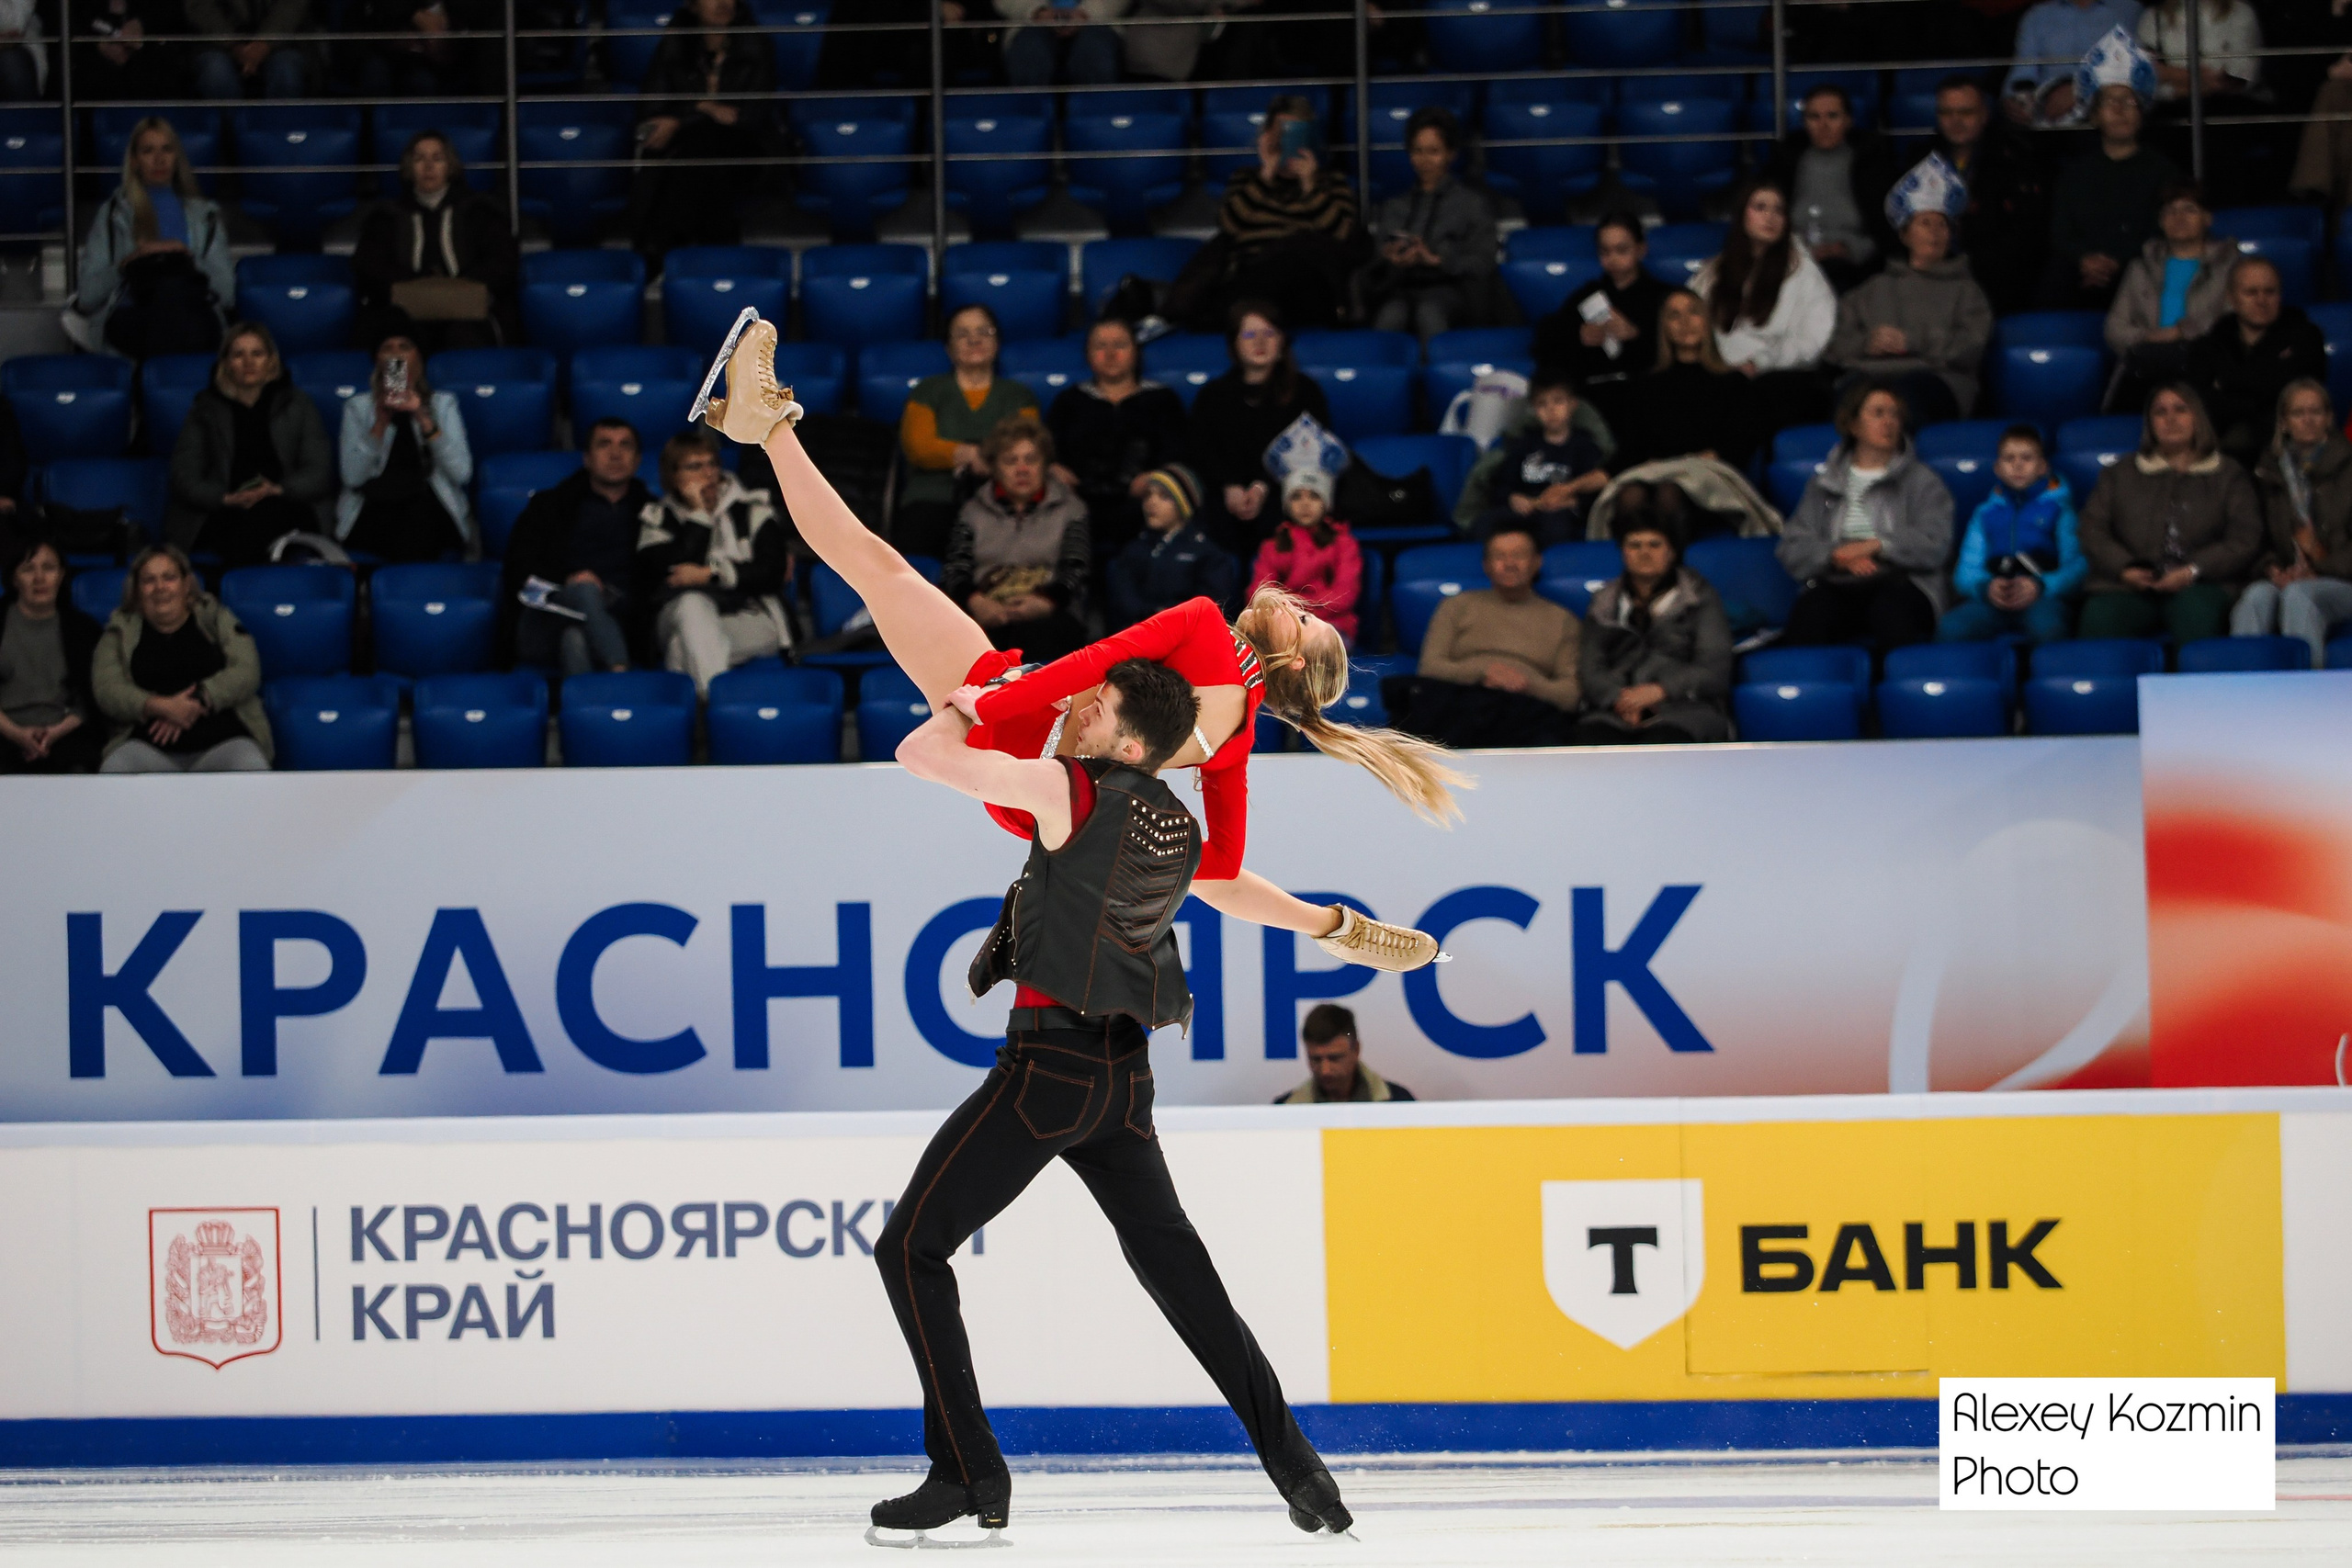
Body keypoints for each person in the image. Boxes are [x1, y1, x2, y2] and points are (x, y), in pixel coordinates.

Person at [699, 307, 1466, 906]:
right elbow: (1220, 871)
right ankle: (763, 424)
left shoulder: (1206, 626)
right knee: (883, 568)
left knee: (878, 567)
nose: (1287, 601)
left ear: (1294, 656)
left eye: (1302, 617)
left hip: (1020, 720)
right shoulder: (1235, 741)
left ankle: (764, 424)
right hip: (1039, 791)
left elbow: (1092, 660)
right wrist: (1331, 924)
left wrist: (998, 696)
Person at [872, 653, 1362, 1542]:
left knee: (908, 1248)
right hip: (1122, 1085)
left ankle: (966, 1470)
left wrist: (964, 704)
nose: (1074, 710)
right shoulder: (1177, 825)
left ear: (1129, 741)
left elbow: (919, 756)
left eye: (1092, 707)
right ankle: (1302, 1472)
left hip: (1047, 1076)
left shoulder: (1074, 789)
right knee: (1185, 1279)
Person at [1777, 381, 1954, 651]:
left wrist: (1877, 545)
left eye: (1895, 414)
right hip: (1839, 581)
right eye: (1878, 413)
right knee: (1810, 613)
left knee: (1891, 611)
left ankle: (1897, 688)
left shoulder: (1923, 481)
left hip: (1902, 582)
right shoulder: (1824, 482)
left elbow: (1935, 543)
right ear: (1853, 425)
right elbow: (1792, 547)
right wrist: (1836, 556)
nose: (1889, 422)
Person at [2076, 382, 2261, 640]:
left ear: (2198, 417)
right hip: (2127, 586)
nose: (2170, 419)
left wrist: (2194, 570)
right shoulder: (2120, 474)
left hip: (2203, 585)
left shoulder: (2228, 475)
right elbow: (2092, 529)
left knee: (2196, 615)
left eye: (2180, 409)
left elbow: (2245, 538)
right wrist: (2124, 568)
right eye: (2160, 412)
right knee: (2101, 616)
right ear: (2150, 423)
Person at [1826, 155, 1994, 428]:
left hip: (1935, 380)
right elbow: (1835, 346)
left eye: (1942, 225)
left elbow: (1970, 347)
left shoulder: (1967, 292)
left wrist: (1913, 342)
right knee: (1852, 398)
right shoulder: (1871, 290)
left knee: (1906, 399)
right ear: (1905, 234)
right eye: (1925, 223)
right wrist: (1866, 343)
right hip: (1870, 376)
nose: (1935, 233)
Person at [1170, 96, 1363, 333]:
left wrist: (1310, 186)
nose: (1286, 138)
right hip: (1254, 277)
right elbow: (1229, 225)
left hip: (1311, 288)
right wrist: (1265, 176)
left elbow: (1342, 234)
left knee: (1295, 253)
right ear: (1267, 134)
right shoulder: (1247, 179)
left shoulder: (1331, 183)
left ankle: (1210, 311)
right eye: (1280, 130)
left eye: (1295, 130)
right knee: (1264, 270)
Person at [1394, 525, 1580, 750]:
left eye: (1519, 555)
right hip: (1459, 704)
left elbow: (1570, 696)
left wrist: (1525, 683)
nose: (1510, 563)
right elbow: (1430, 668)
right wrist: (1484, 672)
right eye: (1500, 556)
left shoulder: (1563, 620)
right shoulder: (1457, 606)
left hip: (1527, 710)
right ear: (1486, 565)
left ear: (1537, 562)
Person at [90, 545, 273, 773]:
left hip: (223, 742)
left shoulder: (216, 618)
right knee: (115, 768)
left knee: (251, 766)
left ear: (186, 584)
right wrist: (159, 706)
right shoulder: (119, 631)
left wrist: (199, 699)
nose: (160, 587)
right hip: (147, 748)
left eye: (169, 578)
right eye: (149, 580)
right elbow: (106, 689)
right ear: (136, 589)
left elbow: (247, 670)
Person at [636, 430, 792, 695]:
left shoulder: (753, 510)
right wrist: (699, 517)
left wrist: (711, 575)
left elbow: (772, 572)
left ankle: (705, 710)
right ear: (673, 476)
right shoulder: (657, 518)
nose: (708, 473)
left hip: (751, 615)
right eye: (694, 467)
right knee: (692, 605)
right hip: (678, 614)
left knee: (680, 649)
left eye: (712, 464)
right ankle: (720, 708)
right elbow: (662, 571)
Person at [167, 322, 334, 568]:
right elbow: (184, 476)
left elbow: (319, 472)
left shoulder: (297, 405)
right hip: (225, 508)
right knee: (239, 527)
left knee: (268, 517)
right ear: (225, 363)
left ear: (271, 360)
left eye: (257, 353)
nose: (248, 362)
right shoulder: (205, 409)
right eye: (238, 354)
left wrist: (277, 489)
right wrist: (225, 498)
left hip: (285, 502)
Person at [72, 118, 236, 362]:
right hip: (134, 315)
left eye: (167, 150)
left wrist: (186, 257)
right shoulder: (114, 213)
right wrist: (128, 264)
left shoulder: (204, 215)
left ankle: (151, 389)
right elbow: (86, 297)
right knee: (168, 300)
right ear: (135, 161)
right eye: (148, 151)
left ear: (177, 157)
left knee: (175, 295)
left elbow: (226, 294)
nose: (159, 159)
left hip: (193, 314)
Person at [497, 418, 651, 674]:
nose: (615, 454)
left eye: (625, 445)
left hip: (619, 618)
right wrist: (568, 580)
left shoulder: (652, 512)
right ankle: (620, 672)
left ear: (637, 460)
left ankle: (586, 709)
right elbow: (517, 569)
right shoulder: (549, 507)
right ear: (587, 458)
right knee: (584, 590)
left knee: (575, 639)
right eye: (604, 445)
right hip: (547, 615)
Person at [351, 130, 522, 356]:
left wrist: (457, 287)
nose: (428, 166)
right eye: (420, 159)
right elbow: (369, 266)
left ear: (450, 166)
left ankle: (462, 391)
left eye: (437, 158)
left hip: (467, 312)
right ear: (409, 167)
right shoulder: (385, 217)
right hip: (406, 312)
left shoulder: (480, 211)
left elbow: (503, 261)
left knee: (467, 338)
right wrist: (418, 287)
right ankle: (398, 392)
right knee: (395, 344)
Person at [2040, 31, 2178, 310]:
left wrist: (2118, 261)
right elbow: (2061, 233)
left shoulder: (2164, 172)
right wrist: (2086, 260)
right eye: (2109, 102)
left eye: (2129, 102)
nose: (2120, 110)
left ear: (2142, 111)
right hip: (2079, 274)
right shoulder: (2075, 174)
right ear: (2094, 115)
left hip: (2139, 275)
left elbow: (2161, 232)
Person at [943, 414, 1093, 666]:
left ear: (1044, 464)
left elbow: (1077, 569)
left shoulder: (1072, 509)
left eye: (1031, 460)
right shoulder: (972, 511)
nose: (1022, 469)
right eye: (1011, 461)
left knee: (1044, 639)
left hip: (1049, 614)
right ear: (995, 467)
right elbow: (955, 570)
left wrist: (1046, 602)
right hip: (985, 614)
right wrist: (977, 602)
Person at [1571, 513, 1734, 746]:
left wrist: (1660, 690)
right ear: (1623, 553)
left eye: (1654, 545)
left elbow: (1714, 670)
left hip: (1685, 709)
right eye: (1634, 545)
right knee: (1589, 742)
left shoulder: (1700, 599)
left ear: (1671, 552)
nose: (1644, 552)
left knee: (1663, 744)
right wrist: (1622, 700)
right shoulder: (1603, 602)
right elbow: (1590, 667)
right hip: (1614, 710)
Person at [633, 0, 775, 265]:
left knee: (704, 147)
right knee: (702, 152)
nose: (723, 3)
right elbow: (652, 108)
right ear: (693, 5)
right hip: (691, 150)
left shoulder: (755, 46)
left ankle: (661, 247)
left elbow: (750, 118)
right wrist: (704, 108)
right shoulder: (675, 45)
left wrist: (683, 118)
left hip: (743, 149)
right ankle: (719, 255)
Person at [1184, 301, 1331, 556]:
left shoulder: (1306, 392)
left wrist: (1263, 486)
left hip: (1285, 492)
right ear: (1234, 343)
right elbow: (1201, 449)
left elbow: (1315, 448)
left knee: (1284, 516)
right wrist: (1229, 485)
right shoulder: (1213, 395)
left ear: (1282, 342)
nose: (1260, 343)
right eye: (1250, 334)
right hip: (1224, 495)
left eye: (1269, 333)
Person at [897, 304, 1040, 559]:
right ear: (948, 347)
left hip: (1003, 498)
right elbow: (920, 448)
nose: (974, 339)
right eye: (963, 334)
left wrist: (978, 458)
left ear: (997, 342)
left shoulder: (1019, 396)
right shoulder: (928, 391)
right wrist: (975, 454)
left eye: (984, 331)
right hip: (933, 498)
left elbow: (1029, 448)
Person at [1692, 179, 1838, 431]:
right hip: (1725, 375)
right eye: (1760, 207)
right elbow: (1686, 314)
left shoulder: (1803, 271)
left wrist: (1759, 363)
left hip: (1783, 378)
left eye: (1778, 210)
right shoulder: (1715, 272)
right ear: (1742, 215)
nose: (1770, 217)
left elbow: (1814, 340)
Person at [1046, 316, 1189, 562]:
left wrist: (1155, 476)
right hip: (1079, 503)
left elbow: (1180, 451)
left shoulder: (1162, 400)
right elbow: (1046, 451)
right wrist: (1053, 468)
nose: (1110, 354)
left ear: (1135, 352)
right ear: (1088, 354)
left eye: (1120, 345)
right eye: (1101, 346)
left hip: (1143, 502)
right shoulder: (1069, 401)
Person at [2233, 379, 2352, 666]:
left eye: (2316, 412)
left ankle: (2309, 695)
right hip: (2290, 575)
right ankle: (2243, 695)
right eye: (2299, 413)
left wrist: (2319, 567)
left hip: (2342, 580)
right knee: (2255, 597)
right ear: (2284, 422)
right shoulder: (2267, 471)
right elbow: (2254, 537)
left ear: (2329, 418)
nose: (2308, 420)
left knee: (2300, 596)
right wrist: (2273, 569)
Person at [1360, 107, 1496, 346]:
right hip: (1400, 287)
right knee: (1391, 315)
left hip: (1450, 290)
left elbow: (1483, 261)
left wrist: (1437, 260)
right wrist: (1390, 257)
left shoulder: (1472, 205)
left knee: (1429, 312)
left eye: (1433, 152)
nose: (1424, 161)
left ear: (1450, 154)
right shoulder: (1396, 205)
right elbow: (1377, 257)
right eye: (1418, 151)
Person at [1532, 212, 1675, 439]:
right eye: (1605, 251)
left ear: (1641, 249)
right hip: (1594, 399)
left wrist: (1635, 335)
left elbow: (1681, 350)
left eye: (1622, 249)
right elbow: (1546, 337)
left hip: (1646, 396)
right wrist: (1579, 335)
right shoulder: (1588, 295)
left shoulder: (1663, 297)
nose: (1613, 258)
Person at [335, 334, 476, 563]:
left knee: (418, 519)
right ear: (378, 362)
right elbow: (352, 477)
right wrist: (380, 424)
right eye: (387, 348)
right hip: (375, 507)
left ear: (418, 359)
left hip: (428, 505)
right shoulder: (358, 408)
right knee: (401, 524)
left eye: (404, 347)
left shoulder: (443, 404)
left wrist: (423, 418)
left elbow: (462, 472)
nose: (396, 354)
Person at [1939, 425, 2086, 643]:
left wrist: (2041, 586)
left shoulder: (2060, 509)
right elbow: (1965, 572)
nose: (2017, 465)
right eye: (2009, 459)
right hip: (1993, 600)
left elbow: (2077, 567)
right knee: (1951, 628)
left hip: (2043, 597)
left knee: (2049, 629)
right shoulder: (1985, 513)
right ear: (1998, 468)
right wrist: (1986, 587)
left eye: (2026, 458)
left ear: (2043, 467)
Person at [2102, 182, 2237, 416]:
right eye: (2170, 211)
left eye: (2189, 209)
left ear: (2208, 218)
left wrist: (2182, 332)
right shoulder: (2139, 268)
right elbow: (2114, 328)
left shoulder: (2230, 266)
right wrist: (2148, 336)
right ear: (2161, 221)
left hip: (2203, 364)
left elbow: (2233, 319)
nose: (2179, 217)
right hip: (2148, 362)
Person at [2187, 257, 2328, 468]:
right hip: (2225, 454)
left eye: (2269, 292)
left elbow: (2301, 395)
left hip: (2290, 451)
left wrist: (2228, 384)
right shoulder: (2208, 346)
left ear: (2280, 296)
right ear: (2231, 298)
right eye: (2251, 292)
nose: (2261, 300)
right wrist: (2266, 388)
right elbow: (2201, 404)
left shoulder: (2306, 337)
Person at [1762, 85, 1900, 293]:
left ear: (1848, 121)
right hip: (1795, 262)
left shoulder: (1871, 162)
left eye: (1832, 116)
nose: (1823, 125)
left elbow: (1883, 228)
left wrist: (1851, 250)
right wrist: (1802, 252)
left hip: (1860, 267)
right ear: (1804, 123)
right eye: (1814, 117)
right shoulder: (1785, 161)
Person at [1928, 74, 2047, 314]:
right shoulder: (1921, 160)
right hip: (1933, 276)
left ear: (1984, 115)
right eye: (1947, 113)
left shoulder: (2015, 158)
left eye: (1966, 112)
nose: (1956, 121)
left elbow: (2027, 236)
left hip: (1996, 281)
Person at [1621, 288, 1761, 475]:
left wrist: (1697, 462)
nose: (1685, 322)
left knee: (1668, 493)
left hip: (1713, 477)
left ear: (1706, 321)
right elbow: (1634, 449)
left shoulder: (1734, 383)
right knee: (1632, 493)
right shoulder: (1646, 385)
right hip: (1657, 475)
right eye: (1674, 315)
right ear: (1665, 328)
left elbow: (1739, 445)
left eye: (1693, 312)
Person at [0, 540, 105, 775]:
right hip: (4, 731)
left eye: (48, 568)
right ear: (14, 579)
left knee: (82, 767)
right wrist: (17, 734)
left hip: (63, 733)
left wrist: (53, 733)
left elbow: (92, 698)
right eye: (28, 569)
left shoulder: (84, 629)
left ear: (61, 575)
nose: (39, 578)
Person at [1472, 371, 1607, 547]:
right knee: (1483, 525)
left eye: (1558, 401)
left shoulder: (1585, 446)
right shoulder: (1523, 443)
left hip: (1561, 513)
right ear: (1534, 410)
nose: (1551, 410)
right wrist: (1513, 497)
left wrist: (1573, 502)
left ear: (1573, 404)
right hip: (1523, 510)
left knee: (1558, 529)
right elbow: (1503, 484)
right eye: (1542, 404)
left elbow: (1594, 491)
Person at [1107, 465, 1238, 632]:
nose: (1151, 502)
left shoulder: (1208, 554)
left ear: (1184, 503)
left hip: (1186, 637)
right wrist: (1150, 615)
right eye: (1148, 495)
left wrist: (1168, 618)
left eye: (1164, 496)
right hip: (1137, 635)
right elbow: (1124, 597)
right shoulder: (1134, 549)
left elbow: (1209, 603)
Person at [1248, 468, 1360, 647]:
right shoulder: (1272, 546)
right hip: (1282, 625)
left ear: (1326, 502)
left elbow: (1344, 596)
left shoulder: (1344, 544)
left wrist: (1297, 612)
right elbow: (1259, 594)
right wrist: (1290, 617)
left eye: (1314, 496)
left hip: (1331, 627)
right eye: (1296, 497)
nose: (1305, 504)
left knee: (1312, 648)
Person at [2005, 0, 2144, 124]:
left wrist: (2081, 90)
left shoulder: (2129, 9)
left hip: (2108, 114)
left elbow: (2139, 72)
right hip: (2049, 119)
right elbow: (2022, 74)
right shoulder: (2038, 15)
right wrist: (2016, 102)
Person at [1272, 1004, 1415, 1103]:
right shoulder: (1282, 1113)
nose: (1325, 1070)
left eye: (1334, 1058)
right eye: (1316, 1059)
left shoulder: (1400, 1102)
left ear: (1356, 1050)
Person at [343, 0, 488, 96]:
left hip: (429, 65)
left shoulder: (456, 9)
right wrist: (414, 16)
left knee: (422, 82)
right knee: (375, 75)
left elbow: (461, 43)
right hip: (381, 54)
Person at [2287, 5, 2352, 208]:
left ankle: (2314, 189)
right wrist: (2338, 11)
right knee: (2333, 93)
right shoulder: (2305, 14)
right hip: (2334, 104)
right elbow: (2291, 76)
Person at [187, 0, 315, 98]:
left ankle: (281, 129)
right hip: (217, 43)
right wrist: (232, 44)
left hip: (282, 41)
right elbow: (199, 6)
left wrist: (264, 43)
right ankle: (227, 131)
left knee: (286, 71)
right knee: (216, 74)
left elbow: (293, 6)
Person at [996, 0, 1126, 85]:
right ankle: (1030, 122)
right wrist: (1038, 12)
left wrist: (1085, 14)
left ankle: (1097, 122)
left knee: (1095, 51)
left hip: (1098, 21)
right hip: (1031, 22)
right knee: (1030, 52)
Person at [72, 0, 178, 103]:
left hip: (147, 54)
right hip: (90, 56)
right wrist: (97, 43)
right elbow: (69, 17)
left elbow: (172, 11)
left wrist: (142, 24)